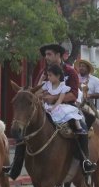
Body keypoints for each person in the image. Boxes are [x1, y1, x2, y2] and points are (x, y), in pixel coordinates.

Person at [9, 43, 88, 179]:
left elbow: (74, 94)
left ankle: (85, 160)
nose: (47, 57)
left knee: (81, 127)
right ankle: (16, 165)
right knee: (25, 128)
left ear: (59, 55)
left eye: (49, 54)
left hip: (66, 107)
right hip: (45, 108)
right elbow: (36, 91)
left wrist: (54, 98)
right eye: (46, 55)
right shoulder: (43, 73)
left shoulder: (70, 72)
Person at [41, 64, 96, 173]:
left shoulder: (72, 74)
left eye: (50, 75)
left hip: (71, 103)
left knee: (87, 116)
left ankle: (84, 158)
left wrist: (88, 96)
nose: (81, 68)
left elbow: (73, 95)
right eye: (80, 66)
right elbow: (38, 90)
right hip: (49, 106)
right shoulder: (46, 80)